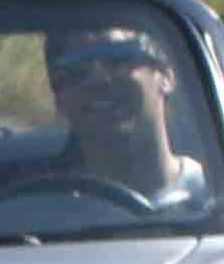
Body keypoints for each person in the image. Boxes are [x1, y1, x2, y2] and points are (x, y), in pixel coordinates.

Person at [45, 26, 209, 212]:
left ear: (166, 76)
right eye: (76, 71)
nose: (98, 79)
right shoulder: (48, 218)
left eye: (117, 59)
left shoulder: (219, 196)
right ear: (59, 101)